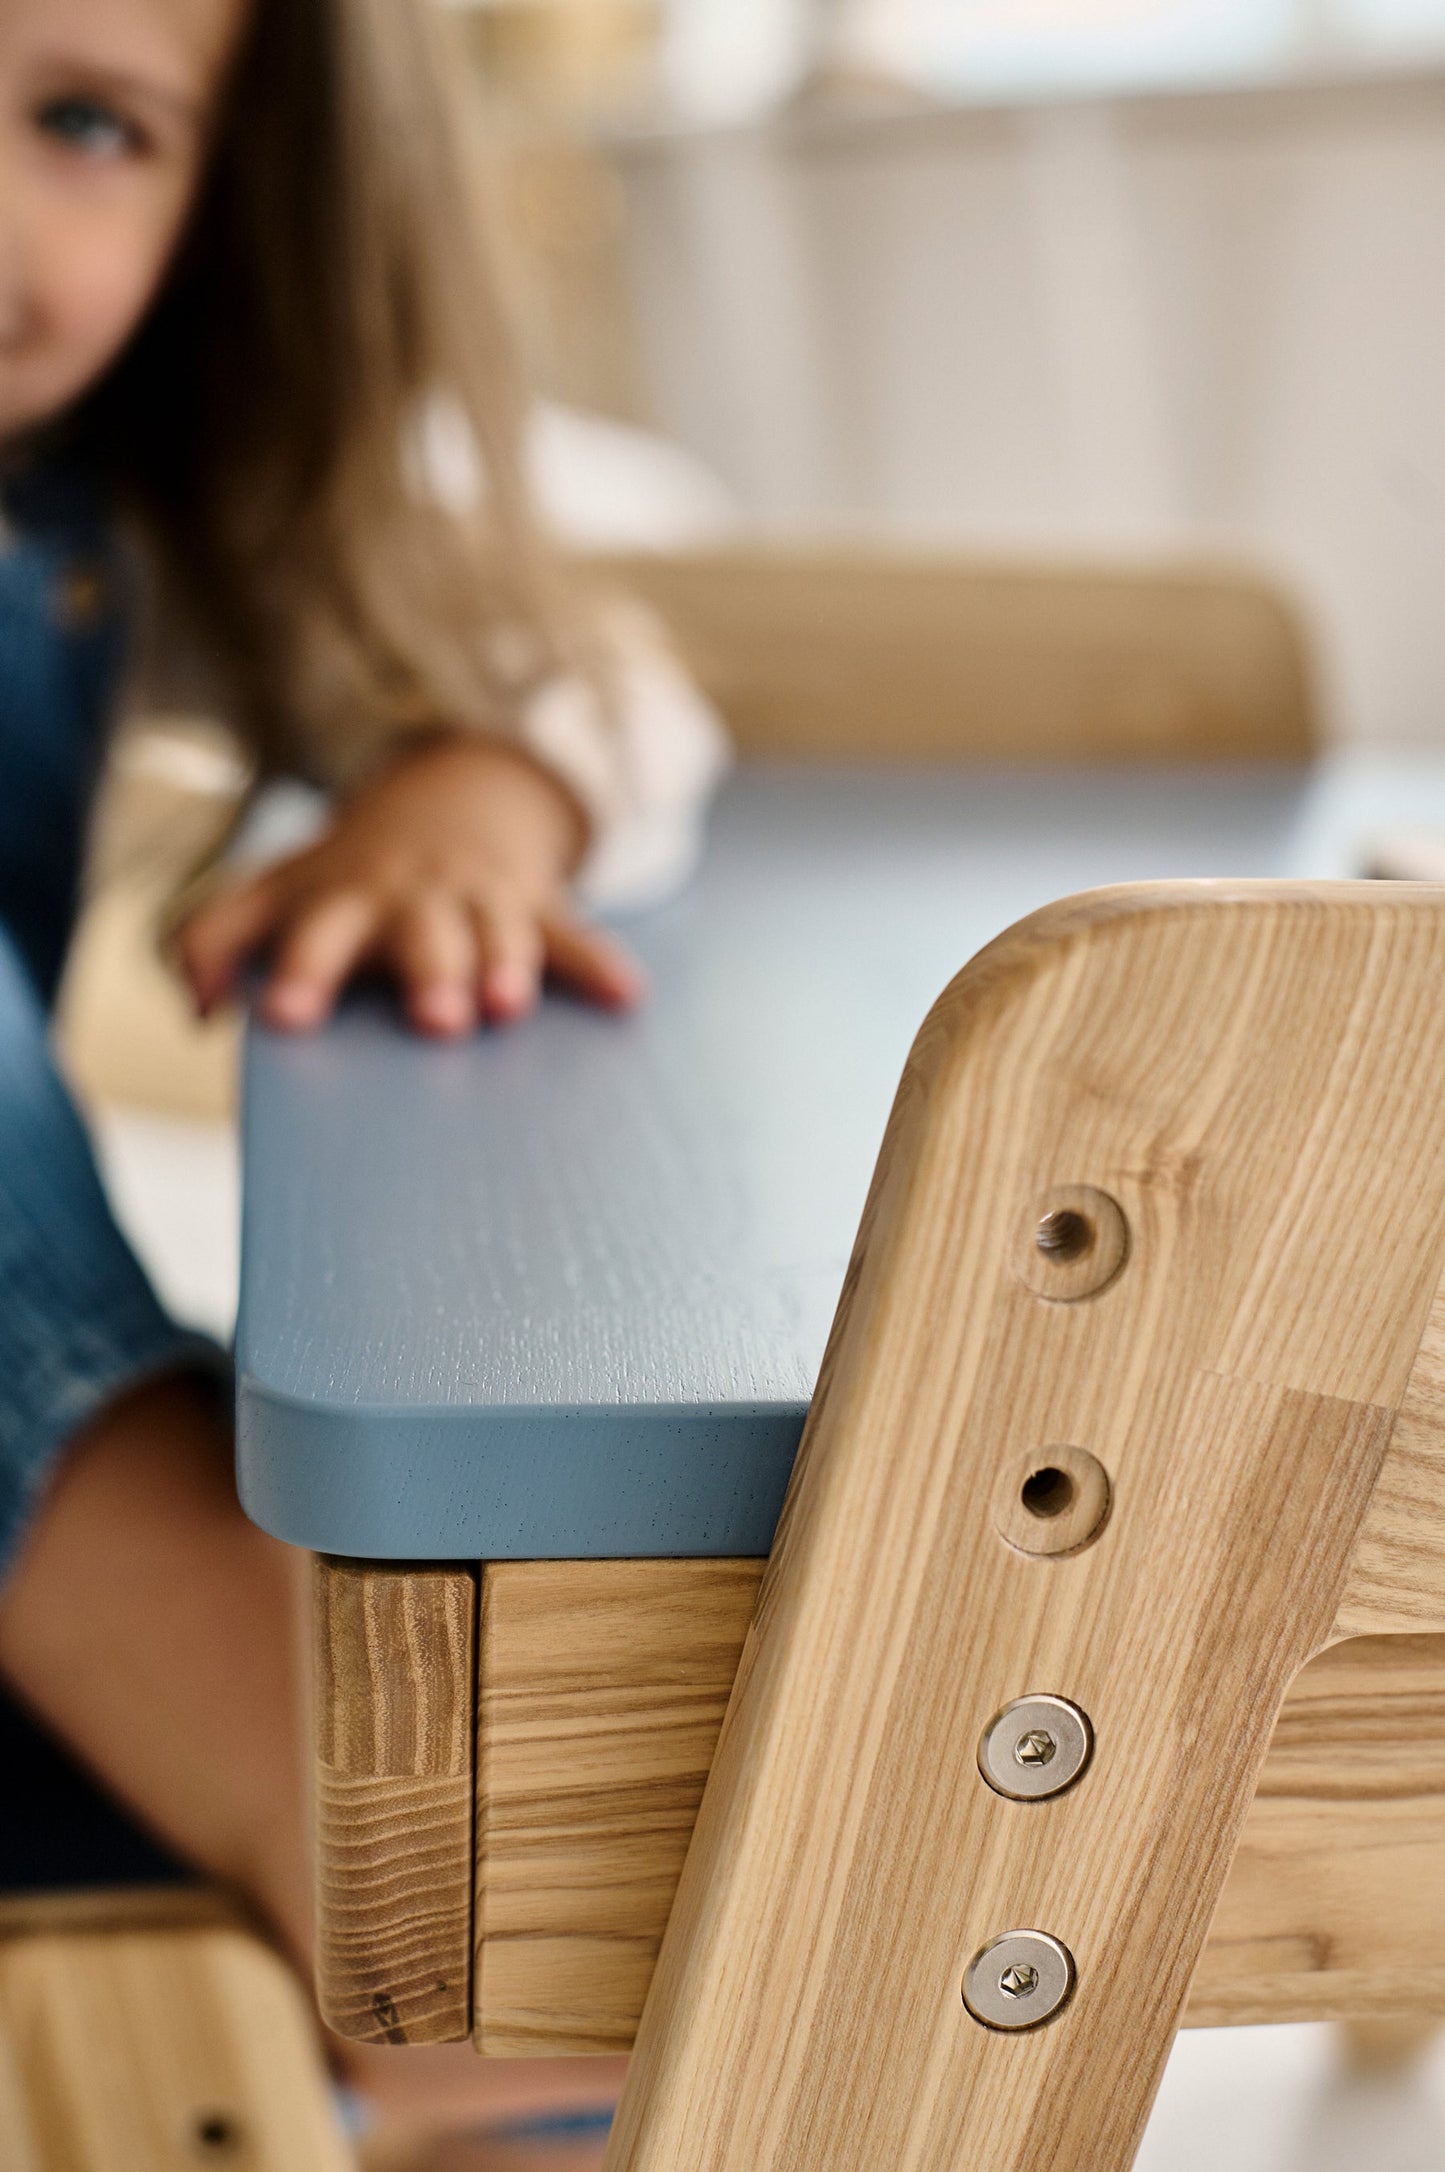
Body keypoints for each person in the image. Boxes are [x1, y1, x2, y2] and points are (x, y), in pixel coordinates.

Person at [0, 0, 727, 2161]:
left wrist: (482, 792)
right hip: (133, 1633)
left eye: (86, 121)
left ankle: (415, 1898)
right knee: (531, 1927)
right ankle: (340, 1831)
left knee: (615, 2017)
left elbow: (582, 659)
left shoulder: (91, 500)